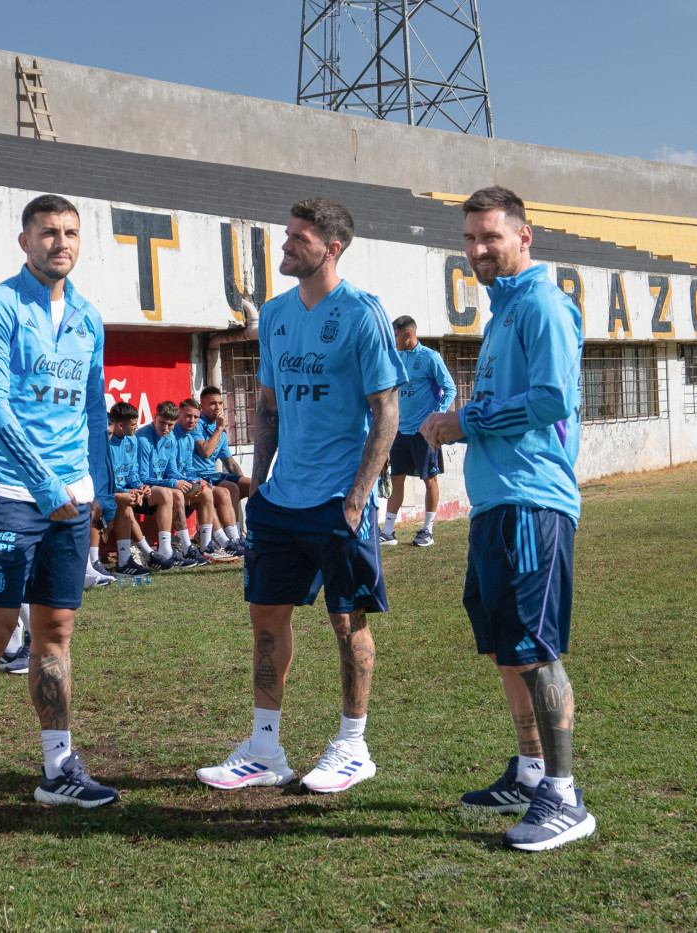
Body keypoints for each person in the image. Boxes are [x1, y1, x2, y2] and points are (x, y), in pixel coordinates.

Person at [197, 198, 405, 795]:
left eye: (297, 238)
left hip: (339, 499)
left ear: (331, 248)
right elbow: (267, 406)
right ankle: (265, 749)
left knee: (348, 620)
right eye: (286, 236)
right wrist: (258, 483)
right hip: (281, 499)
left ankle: (353, 745)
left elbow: (386, 411)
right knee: (266, 618)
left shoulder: (363, 313)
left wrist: (358, 497)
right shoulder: (278, 314)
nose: (284, 246)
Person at [420, 185, 595, 852]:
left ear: (525, 237)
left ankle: (564, 794)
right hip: (498, 502)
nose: (476, 250)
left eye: (489, 236)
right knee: (505, 647)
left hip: (533, 501)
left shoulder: (544, 305)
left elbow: (552, 398)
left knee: (537, 648)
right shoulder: (502, 314)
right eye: (468, 239)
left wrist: (463, 419)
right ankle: (529, 770)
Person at [0, 193, 118, 833]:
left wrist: (104, 485)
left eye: (70, 233)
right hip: (11, 492)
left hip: (73, 496)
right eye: (48, 233)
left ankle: (58, 768)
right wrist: (45, 485)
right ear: (24, 241)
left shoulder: (91, 317)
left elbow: (92, 409)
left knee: (57, 632)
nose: (60, 243)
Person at [380, 316, 456, 548]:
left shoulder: (429, 358)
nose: (393, 340)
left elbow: (450, 388)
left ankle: (427, 530)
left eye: (395, 335)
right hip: (400, 431)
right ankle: (389, 531)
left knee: (429, 479)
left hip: (424, 433)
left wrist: (435, 416)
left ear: (407, 335)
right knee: (396, 478)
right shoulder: (396, 358)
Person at [136, 401, 212, 568]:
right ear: (154, 418)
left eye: (170, 425)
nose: (166, 428)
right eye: (162, 422)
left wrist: (189, 480)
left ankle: (190, 547)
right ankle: (167, 549)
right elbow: (142, 478)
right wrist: (173, 482)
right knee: (172, 493)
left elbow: (172, 472)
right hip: (142, 489)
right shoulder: (143, 439)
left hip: (161, 487)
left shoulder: (170, 438)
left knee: (204, 490)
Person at [174, 398, 240, 561]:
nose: (192, 421)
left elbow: (188, 467)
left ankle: (234, 539)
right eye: (188, 416)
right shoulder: (172, 435)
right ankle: (222, 542)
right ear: (179, 414)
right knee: (210, 491)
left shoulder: (188, 437)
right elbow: (170, 470)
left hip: (192, 480)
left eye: (195, 417)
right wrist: (188, 480)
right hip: (172, 485)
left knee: (231, 489)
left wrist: (194, 480)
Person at [100, 401, 158, 577]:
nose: (136, 427)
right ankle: (125, 560)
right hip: (105, 493)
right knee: (124, 504)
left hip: (122, 492)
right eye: (133, 424)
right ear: (120, 424)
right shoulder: (105, 442)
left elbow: (132, 471)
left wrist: (140, 487)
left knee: (132, 500)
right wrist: (125, 492)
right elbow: (103, 478)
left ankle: (137, 557)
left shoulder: (132, 440)